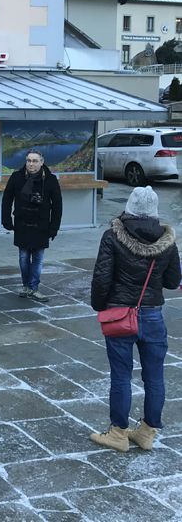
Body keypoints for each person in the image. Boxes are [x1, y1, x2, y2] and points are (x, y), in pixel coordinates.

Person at [89, 187, 181, 452]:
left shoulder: (112, 236)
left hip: (120, 314)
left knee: (121, 375)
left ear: (129, 206)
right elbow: (173, 281)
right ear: (154, 209)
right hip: (152, 315)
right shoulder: (167, 240)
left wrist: (99, 306)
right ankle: (147, 432)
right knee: (155, 377)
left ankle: (118, 433)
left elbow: (102, 278)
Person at [1, 148, 63, 302]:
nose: (31, 164)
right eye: (28, 160)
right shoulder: (16, 177)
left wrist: (54, 227)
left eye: (35, 161)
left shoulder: (50, 179)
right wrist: (6, 220)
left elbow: (57, 205)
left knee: (38, 258)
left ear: (41, 162)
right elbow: (7, 199)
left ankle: (33, 287)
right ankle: (26, 285)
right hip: (22, 223)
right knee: (23, 257)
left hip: (41, 225)